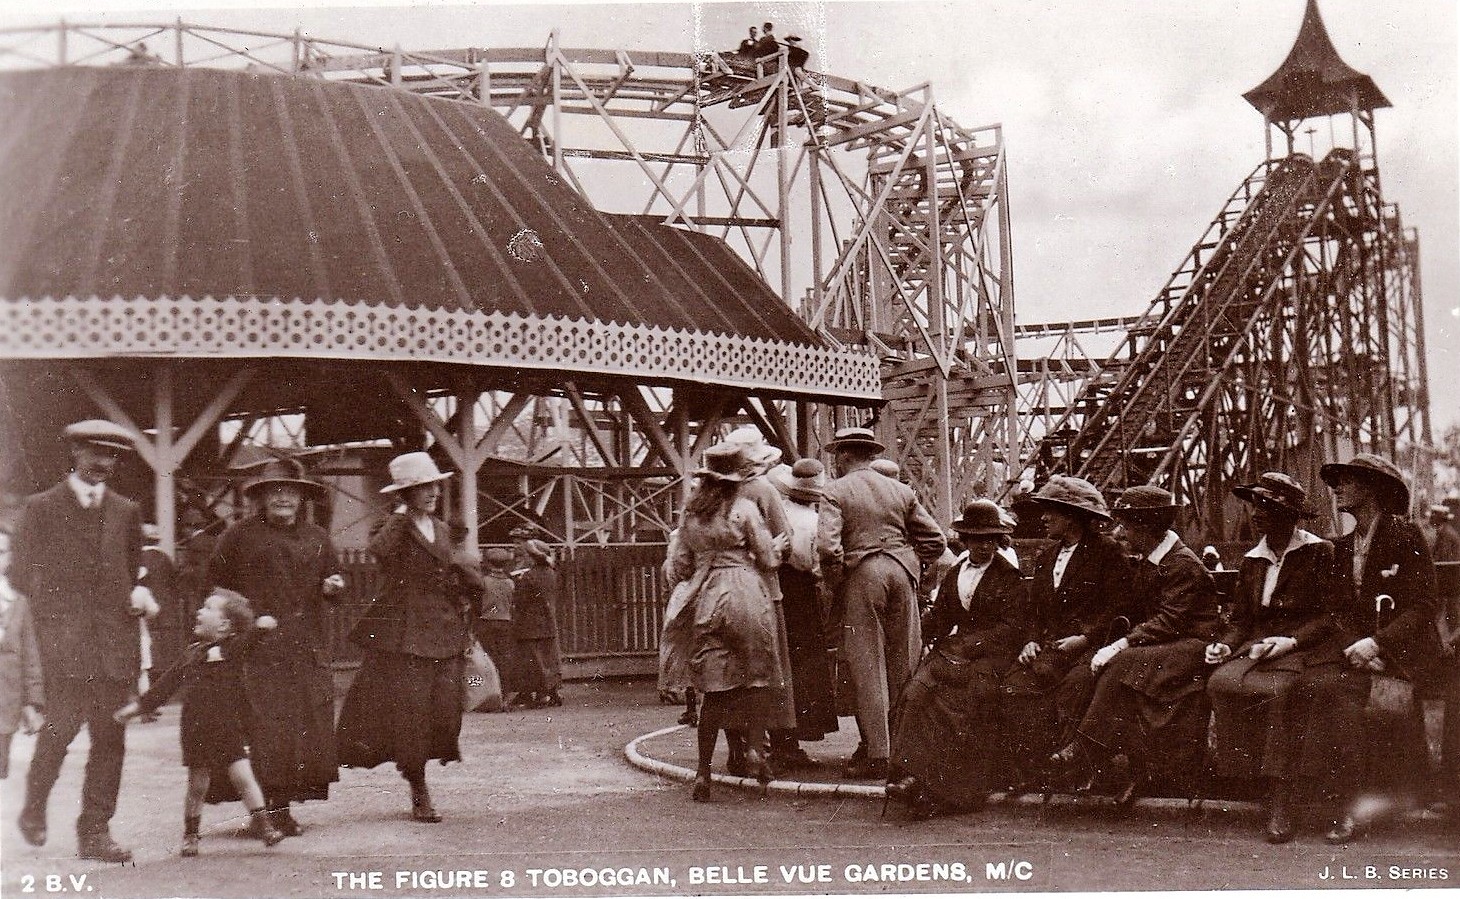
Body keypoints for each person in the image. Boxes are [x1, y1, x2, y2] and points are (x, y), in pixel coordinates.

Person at [14, 419, 152, 862]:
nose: (102, 463)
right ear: (74, 452)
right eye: (94, 452)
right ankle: (34, 808)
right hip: (62, 648)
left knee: (110, 742)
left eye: (111, 455)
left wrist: (135, 598)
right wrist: (54, 618)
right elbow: (19, 574)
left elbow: (132, 572)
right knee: (58, 733)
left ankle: (95, 832)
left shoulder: (126, 511)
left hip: (113, 648)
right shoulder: (41, 508)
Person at [1295, 454, 1438, 843]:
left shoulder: (1406, 536)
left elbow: (1425, 606)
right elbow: (1337, 613)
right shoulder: (1341, 547)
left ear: (1372, 488)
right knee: (1318, 685)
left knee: (1344, 699)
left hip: (1403, 654)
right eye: (1336, 481)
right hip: (1358, 653)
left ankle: (1349, 807)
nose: (1337, 488)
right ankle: (1315, 797)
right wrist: (1355, 647)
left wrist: (1378, 643)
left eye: (1347, 481)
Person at [1046, 485, 1220, 804]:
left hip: (1193, 645)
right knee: (1098, 671)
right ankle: (1099, 762)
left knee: (1120, 664)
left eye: (1126, 526)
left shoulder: (1181, 564)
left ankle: (1083, 751)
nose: (1121, 533)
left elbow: (1170, 621)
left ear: (1145, 528)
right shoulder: (1152, 559)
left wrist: (1120, 644)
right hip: (1161, 645)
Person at [337, 452, 477, 823]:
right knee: (411, 715)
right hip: (406, 635)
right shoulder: (392, 526)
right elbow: (378, 553)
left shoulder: (443, 529)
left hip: (445, 630)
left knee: (447, 712)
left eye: (433, 485)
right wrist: (401, 515)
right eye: (421, 487)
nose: (431, 492)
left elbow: (454, 570)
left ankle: (421, 770)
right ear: (405, 493)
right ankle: (418, 787)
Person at [208, 457, 344, 834]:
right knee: (262, 728)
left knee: (298, 729)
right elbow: (216, 585)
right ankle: (260, 813)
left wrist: (332, 588)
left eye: (291, 491)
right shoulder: (238, 536)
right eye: (276, 490)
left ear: (302, 498)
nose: (284, 497)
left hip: (303, 646)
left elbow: (333, 581)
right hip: (256, 648)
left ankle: (281, 809)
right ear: (263, 496)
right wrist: (240, 622)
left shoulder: (318, 538)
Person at [1205, 472, 1341, 844]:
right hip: (1261, 646)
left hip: (1304, 648)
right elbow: (1241, 619)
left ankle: (1282, 795)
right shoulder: (1253, 560)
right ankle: (1248, 774)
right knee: (1221, 681)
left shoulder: (1318, 552)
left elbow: (1330, 615)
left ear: (1290, 515)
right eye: (1254, 506)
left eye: (1267, 506)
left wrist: (1292, 640)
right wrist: (1224, 646)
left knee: (1281, 693)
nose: (1256, 514)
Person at [113, 589, 285, 857]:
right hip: (196, 730)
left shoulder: (233, 648)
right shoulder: (190, 654)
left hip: (228, 728)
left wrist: (261, 627)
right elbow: (163, 688)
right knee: (197, 785)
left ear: (225, 625)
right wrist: (135, 709)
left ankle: (264, 826)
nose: (198, 612)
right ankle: (191, 835)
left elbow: (250, 640)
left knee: (244, 777)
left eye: (207, 608)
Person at [817, 426, 946, 780]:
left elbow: (828, 547)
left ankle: (879, 753)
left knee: (867, 664)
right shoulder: (900, 490)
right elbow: (936, 539)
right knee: (903, 661)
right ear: (870, 454)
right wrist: (913, 564)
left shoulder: (836, 491)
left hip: (863, 574)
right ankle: (906, 746)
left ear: (844, 455)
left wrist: (838, 580)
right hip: (902, 572)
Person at [886, 500, 1028, 818]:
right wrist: (921, 632)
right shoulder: (955, 573)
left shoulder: (1009, 577)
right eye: (976, 539)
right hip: (953, 651)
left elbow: (1012, 628)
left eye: (990, 539)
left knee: (961, 702)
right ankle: (910, 774)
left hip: (991, 657)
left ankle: (946, 788)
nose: (983, 545)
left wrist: (971, 645)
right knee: (916, 692)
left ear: (998, 541)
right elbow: (941, 615)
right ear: (965, 541)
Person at [664, 443, 784, 800]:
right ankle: (754, 751)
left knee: (713, 688)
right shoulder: (743, 509)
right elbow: (767, 558)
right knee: (758, 675)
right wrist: (777, 550)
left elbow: (681, 565)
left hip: (706, 595)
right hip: (745, 590)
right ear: (735, 479)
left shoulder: (690, 514)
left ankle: (703, 772)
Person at [997, 475, 1129, 790]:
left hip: (1094, 646)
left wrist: (1086, 637)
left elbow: (1119, 606)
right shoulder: (1046, 558)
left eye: (1051, 513)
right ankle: (1032, 769)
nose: (1043, 518)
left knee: (1075, 686)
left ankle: (1078, 770)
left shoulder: (1107, 553)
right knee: (1014, 686)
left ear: (1071, 517)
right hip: (1052, 647)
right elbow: (1034, 610)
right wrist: (1030, 639)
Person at [764, 458, 838, 769]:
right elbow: (815, 564)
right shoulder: (813, 521)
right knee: (806, 665)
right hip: (804, 593)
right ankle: (792, 744)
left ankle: (782, 740)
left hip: (778, 589)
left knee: (783, 665)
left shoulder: (779, 514)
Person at [0, 524, 45, 780]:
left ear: (9, 558)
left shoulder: (18, 603)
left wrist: (32, 702)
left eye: (1, 551)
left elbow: (31, 658)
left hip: (5, 707)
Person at [510, 539, 564, 709]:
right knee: (548, 659)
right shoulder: (551, 573)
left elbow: (520, 600)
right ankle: (550, 692)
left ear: (532, 557)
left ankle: (538, 694)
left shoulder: (528, 576)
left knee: (533, 661)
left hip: (530, 624)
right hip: (548, 622)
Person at [473, 546, 521, 710]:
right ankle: (505, 695)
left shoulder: (484, 582)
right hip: (505, 622)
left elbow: (477, 603)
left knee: (486, 660)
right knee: (504, 660)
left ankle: (487, 696)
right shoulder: (510, 583)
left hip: (486, 622)